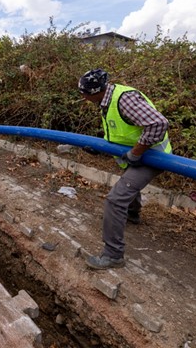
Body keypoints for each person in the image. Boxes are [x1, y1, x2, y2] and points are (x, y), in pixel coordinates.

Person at [78, 69, 172, 270]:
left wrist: (136, 153)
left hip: (153, 156)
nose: (83, 97)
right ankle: (133, 215)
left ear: (97, 91)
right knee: (129, 184)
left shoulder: (124, 100)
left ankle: (113, 255)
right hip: (139, 154)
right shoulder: (107, 99)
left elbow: (159, 123)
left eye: (85, 93)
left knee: (115, 199)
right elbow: (120, 131)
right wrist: (100, 148)